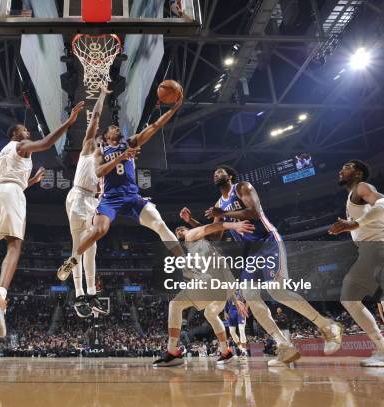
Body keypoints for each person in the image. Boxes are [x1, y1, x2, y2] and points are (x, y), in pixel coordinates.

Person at [181, 165, 342, 367]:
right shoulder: (218, 204)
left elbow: (255, 213)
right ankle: (284, 346)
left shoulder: (242, 187)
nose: (216, 174)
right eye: (214, 173)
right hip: (250, 252)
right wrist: (193, 222)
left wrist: (222, 212)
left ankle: (327, 326)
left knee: (277, 291)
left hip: (268, 242)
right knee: (250, 297)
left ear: (230, 176)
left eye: (220, 171)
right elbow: (215, 236)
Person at [0, 102, 85, 338]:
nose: (27, 133)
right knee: (14, 245)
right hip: (11, 193)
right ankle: (0, 296)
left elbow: (12, 179)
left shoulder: (5, 152)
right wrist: (69, 122)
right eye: (24, 130)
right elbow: (47, 143)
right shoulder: (21, 145)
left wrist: (31, 181)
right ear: (14, 134)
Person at [57, 91, 184, 280]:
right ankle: (73, 260)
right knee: (99, 231)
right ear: (106, 137)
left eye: (117, 127)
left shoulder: (130, 142)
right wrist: (121, 158)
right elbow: (99, 172)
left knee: (159, 224)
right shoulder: (100, 152)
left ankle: (187, 266)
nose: (116, 128)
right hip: (110, 199)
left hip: (132, 197)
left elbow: (156, 126)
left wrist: (174, 108)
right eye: (113, 128)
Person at [328, 159, 384, 368]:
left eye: (347, 167)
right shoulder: (354, 198)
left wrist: (354, 224)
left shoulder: (363, 187)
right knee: (349, 297)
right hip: (369, 252)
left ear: (359, 173)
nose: (341, 170)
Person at [153, 220, 255, 367]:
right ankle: (226, 352)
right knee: (210, 314)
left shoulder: (191, 235)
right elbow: (222, 266)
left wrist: (233, 225)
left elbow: (210, 227)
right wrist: (234, 297)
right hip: (225, 285)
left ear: (184, 231)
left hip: (212, 282)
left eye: (179, 231)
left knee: (175, 304)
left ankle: (172, 353)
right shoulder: (204, 246)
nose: (177, 233)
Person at [59, 87, 110, 318]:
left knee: (92, 248)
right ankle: (79, 294)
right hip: (78, 197)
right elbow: (96, 120)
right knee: (79, 245)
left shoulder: (106, 168)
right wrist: (102, 95)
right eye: (100, 140)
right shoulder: (89, 149)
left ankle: (90, 293)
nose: (101, 143)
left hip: (92, 202)